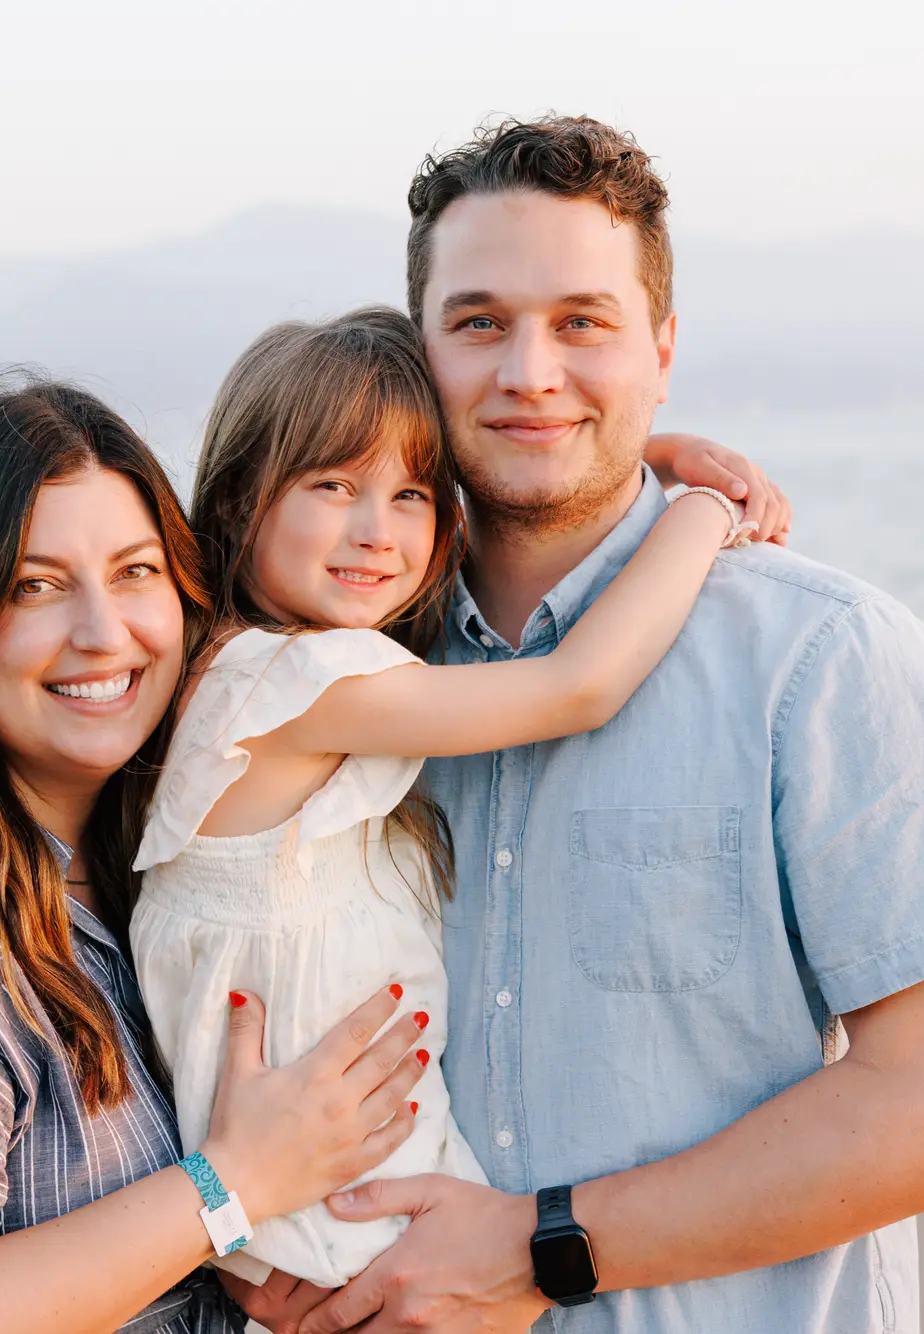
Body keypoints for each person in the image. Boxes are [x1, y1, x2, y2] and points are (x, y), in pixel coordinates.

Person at [224, 116, 924, 1334]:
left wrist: (542, 1247)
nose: (530, 372)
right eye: (479, 323)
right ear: (418, 357)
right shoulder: (343, 664)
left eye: (583, 323)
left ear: (659, 349)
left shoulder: (820, 656)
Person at [0, 381, 435, 1334]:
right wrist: (234, 1185)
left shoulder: (161, 851)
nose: (104, 633)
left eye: (135, 572)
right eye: (36, 586)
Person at [129, 308, 751, 1291]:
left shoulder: (265, 668)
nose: (376, 530)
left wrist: (641, 460)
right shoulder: (289, 686)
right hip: (338, 1224)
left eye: (410, 492)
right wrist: (698, 510)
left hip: (333, 1201)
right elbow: (575, 686)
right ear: (243, 497)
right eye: (331, 485)